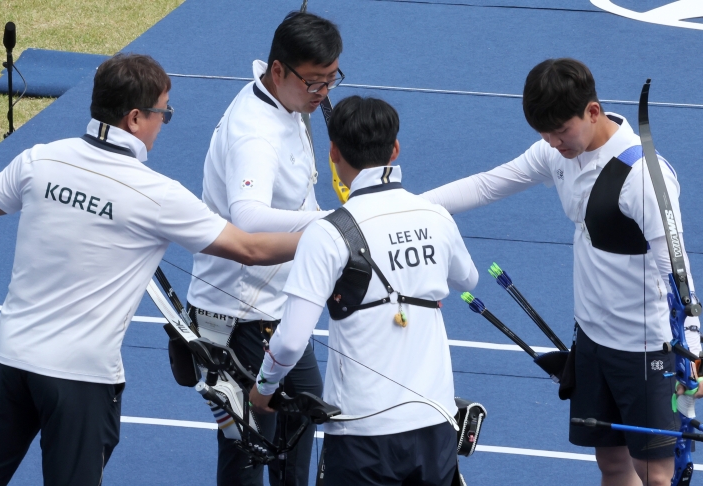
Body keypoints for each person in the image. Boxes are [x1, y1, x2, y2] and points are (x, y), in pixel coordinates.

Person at [0, 53, 301, 486]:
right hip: (81, 378)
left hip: (12, 361)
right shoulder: (157, 194)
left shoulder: (40, 160)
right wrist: (338, 234)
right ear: (134, 118)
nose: (163, 123)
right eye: (163, 112)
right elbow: (250, 248)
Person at [421, 58, 702, 486]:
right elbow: (486, 184)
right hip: (591, 339)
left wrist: (694, 345)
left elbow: (674, 268)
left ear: (592, 111)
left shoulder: (644, 177)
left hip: (646, 349)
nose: (553, 143)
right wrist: (404, 208)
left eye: (560, 132)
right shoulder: (559, 151)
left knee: (656, 475)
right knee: (611, 464)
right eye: (544, 134)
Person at [249, 96, 479, 486]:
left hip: (362, 435)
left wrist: (264, 388)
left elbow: (289, 342)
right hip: (435, 425)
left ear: (334, 153)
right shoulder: (435, 216)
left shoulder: (326, 232)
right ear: (395, 149)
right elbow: (467, 280)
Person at [185, 11, 343, 486]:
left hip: (276, 305)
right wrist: (336, 225)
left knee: (304, 417)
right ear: (279, 70)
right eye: (315, 83)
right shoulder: (254, 131)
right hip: (238, 316)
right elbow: (249, 217)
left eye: (332, 80)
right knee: (248, 445)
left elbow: (300, 197)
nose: (324, 93)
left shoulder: (288, 102)